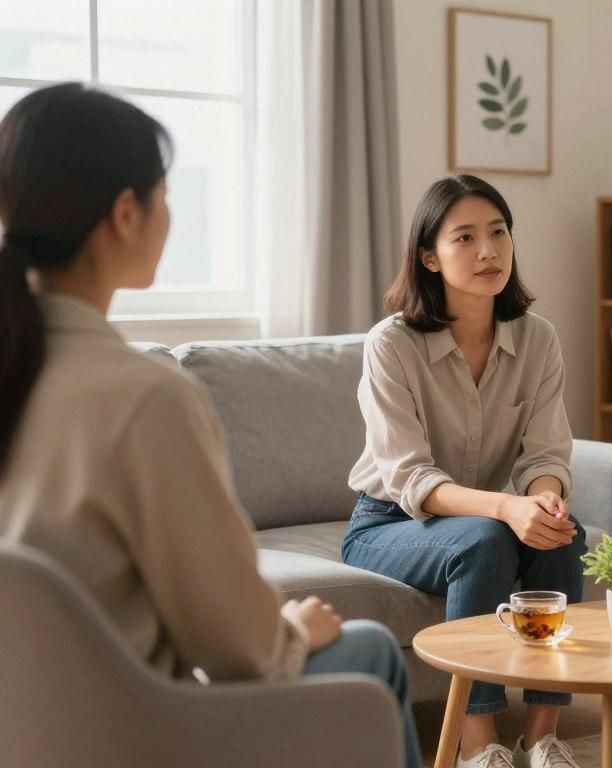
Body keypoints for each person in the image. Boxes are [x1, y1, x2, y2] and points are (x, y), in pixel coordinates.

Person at [0, 84, 419, 768]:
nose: (172, 213)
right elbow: (234, 650)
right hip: (134, 735)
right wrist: (287, 630)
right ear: (125, 213)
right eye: (165, 194)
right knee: (367, 650)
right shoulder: (145, 399)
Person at [343, 174, 585, 768]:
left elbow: (544, 454)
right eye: (466, 237)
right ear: (429, 255)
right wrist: (506, 506)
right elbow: (410, 478)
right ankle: (480, 746)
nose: (488, 251)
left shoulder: (538, 339)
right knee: (486, 538)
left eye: (499, 233)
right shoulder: (391, 345)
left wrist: (545, 500)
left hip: (477, 515)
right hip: (386, 523)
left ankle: (542, 738)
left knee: (560, 533)